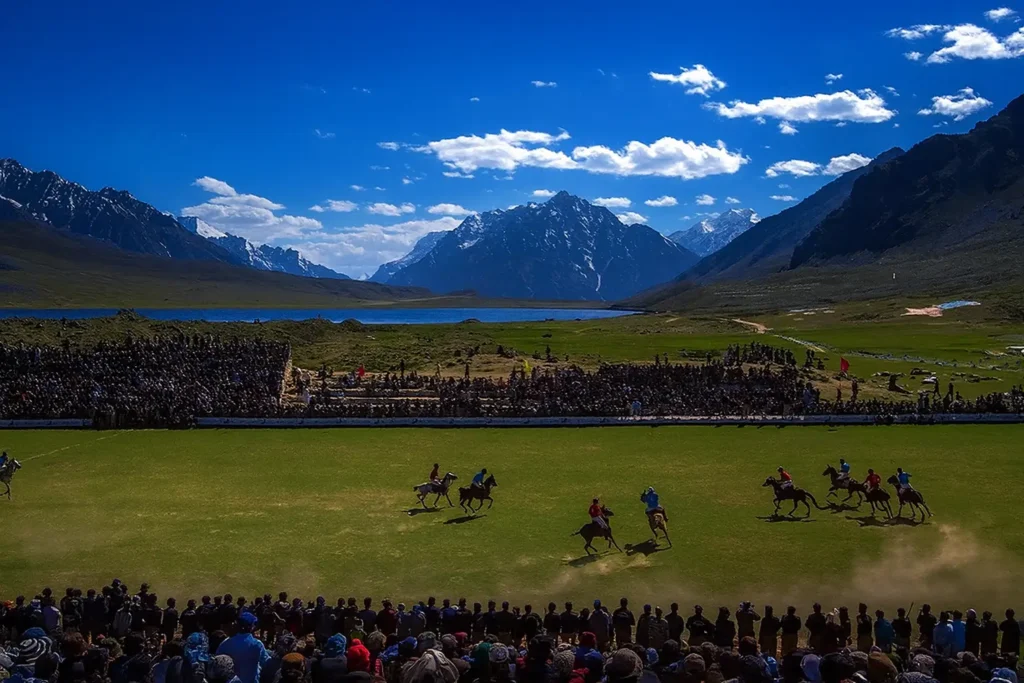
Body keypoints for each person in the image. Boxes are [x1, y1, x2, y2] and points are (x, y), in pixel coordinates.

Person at [217, 612, 270, 683]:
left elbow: (217, 661)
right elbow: (266, 662)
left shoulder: (225, 643)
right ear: (251, 627)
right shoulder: (257, 644)